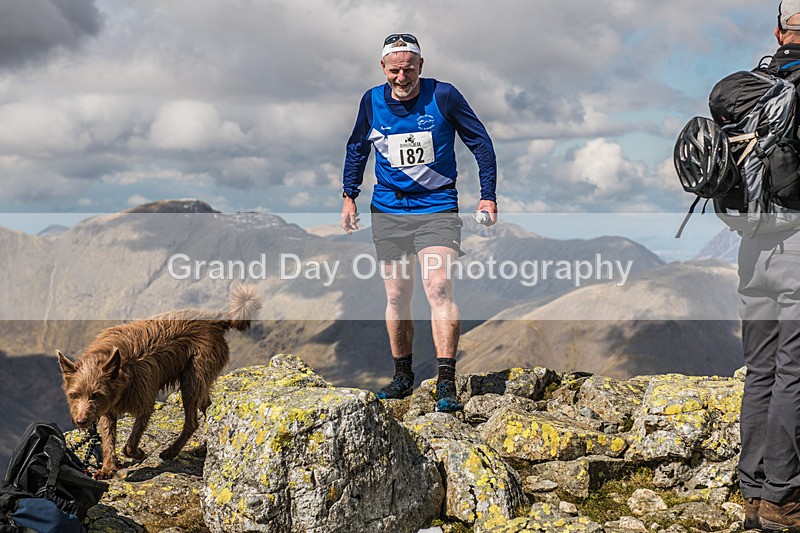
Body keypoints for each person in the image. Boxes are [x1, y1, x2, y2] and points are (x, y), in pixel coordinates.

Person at [341, 33, 497, 413]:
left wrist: (488, 195)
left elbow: (481, 142)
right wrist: (349, 195)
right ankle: (402, 377)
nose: (401, 77)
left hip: (437, 206)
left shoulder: (443, 95)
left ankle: (446, 381)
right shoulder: (371, 100)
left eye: (408, 69)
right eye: (394, 70)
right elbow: (357, 146)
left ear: (421, 66)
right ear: (383, 68)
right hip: (388, 210)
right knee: (396, 294)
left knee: (439, 286)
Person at [735, 2, 800, 530]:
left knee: (761, 370)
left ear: (779, 32)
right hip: (799, 245)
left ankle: (752, 493)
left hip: (751, 246)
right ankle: (783, 498)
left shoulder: (749, 87)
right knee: (795, 374)